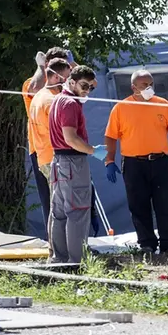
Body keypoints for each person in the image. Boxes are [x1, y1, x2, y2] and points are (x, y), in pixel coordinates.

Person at [104, 70, 168, 255]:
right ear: (133, 87)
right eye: (144, 85)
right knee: (138, 205)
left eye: (151, 84)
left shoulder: (163, 104)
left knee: (165, 204)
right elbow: (110, 136)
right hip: (134, 164)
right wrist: (109, 160)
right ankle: (147, 244)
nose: (149, 88)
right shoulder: (121, 108)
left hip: (160, 162)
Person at [47, 66, 106, 263]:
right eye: (84, 86)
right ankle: (77, 260)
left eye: (90, 87)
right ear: (71, 82)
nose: (87, 91)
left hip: (58, 161)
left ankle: (59, 258)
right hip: (73, 161)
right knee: (78, 211)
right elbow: (71, 138)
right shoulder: (70, 104)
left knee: (60, 212)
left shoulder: (57, 99)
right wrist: (92, 151)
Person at [22, 48, 73, 237]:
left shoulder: (65, 89)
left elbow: (87, 83)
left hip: (68, 150)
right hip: (42, 151)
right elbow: (33, 88)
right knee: (52, 201)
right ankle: (57, 243)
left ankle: (78, 241)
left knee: (72, 201)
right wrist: (41, 67)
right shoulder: (35, 85)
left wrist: (71, 65)